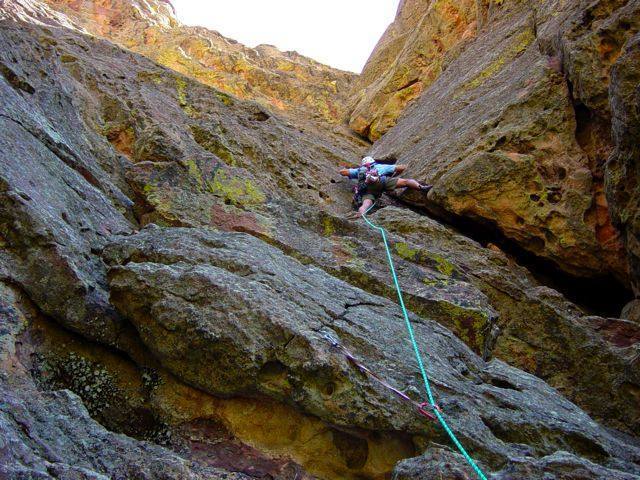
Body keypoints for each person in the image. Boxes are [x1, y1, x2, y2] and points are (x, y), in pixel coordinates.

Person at [339, 156, 432, 217]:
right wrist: (394, 176)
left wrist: (351, 170)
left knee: (367, 203)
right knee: (406, 182)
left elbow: (343, 172)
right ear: (373, 162)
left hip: (368, 189)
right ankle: (421, 187)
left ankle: (361, 213)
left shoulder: (359, 170)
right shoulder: (380, 166)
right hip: (382, 182)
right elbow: (401, 168)